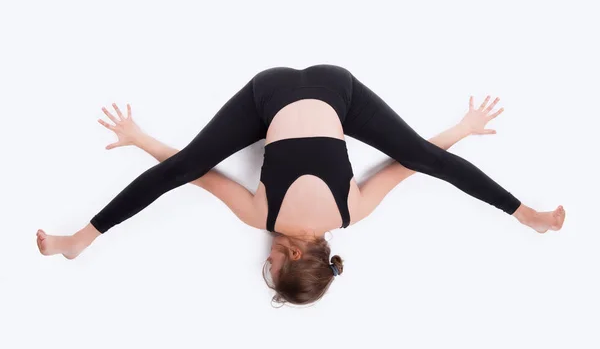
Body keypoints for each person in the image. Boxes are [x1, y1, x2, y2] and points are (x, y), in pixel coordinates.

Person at [36, 64, 565, 305]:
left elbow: (414, 164)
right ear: (289, 254)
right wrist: (142, 138)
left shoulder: (349, 213)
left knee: (425, 158)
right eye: (270, 265)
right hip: (270, 94)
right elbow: (191, 171)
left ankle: (529, 217)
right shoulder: (260, 215)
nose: (263, 258)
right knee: (178, 171)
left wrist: (461, 131)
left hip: (338, 87)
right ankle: (83, 237)